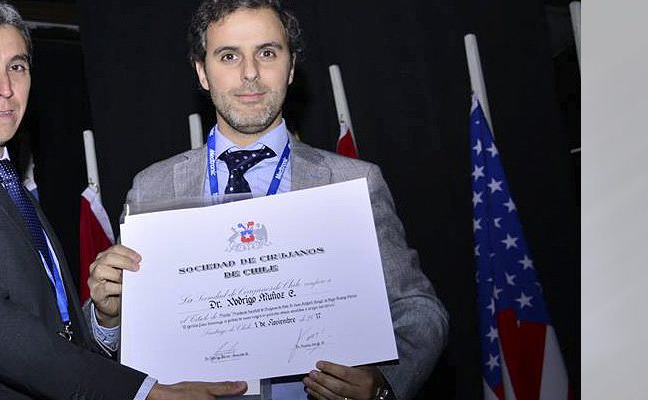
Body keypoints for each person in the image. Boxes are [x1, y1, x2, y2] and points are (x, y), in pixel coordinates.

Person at [0, 2, 246, 399]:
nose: (5, 88)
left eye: (17, 66)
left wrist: (104, 319)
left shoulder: (2, 177)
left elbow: (53, 328)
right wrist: (141, 393)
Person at [85, 1, 449, 399]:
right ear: (202, 72)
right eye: (229, 56)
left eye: (267, 53)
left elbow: (419, 310)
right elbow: (123, 342)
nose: (250, 73)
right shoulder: (152, 188)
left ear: (291, 68)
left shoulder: (353, 182)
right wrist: (107, 316)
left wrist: (383, 384)